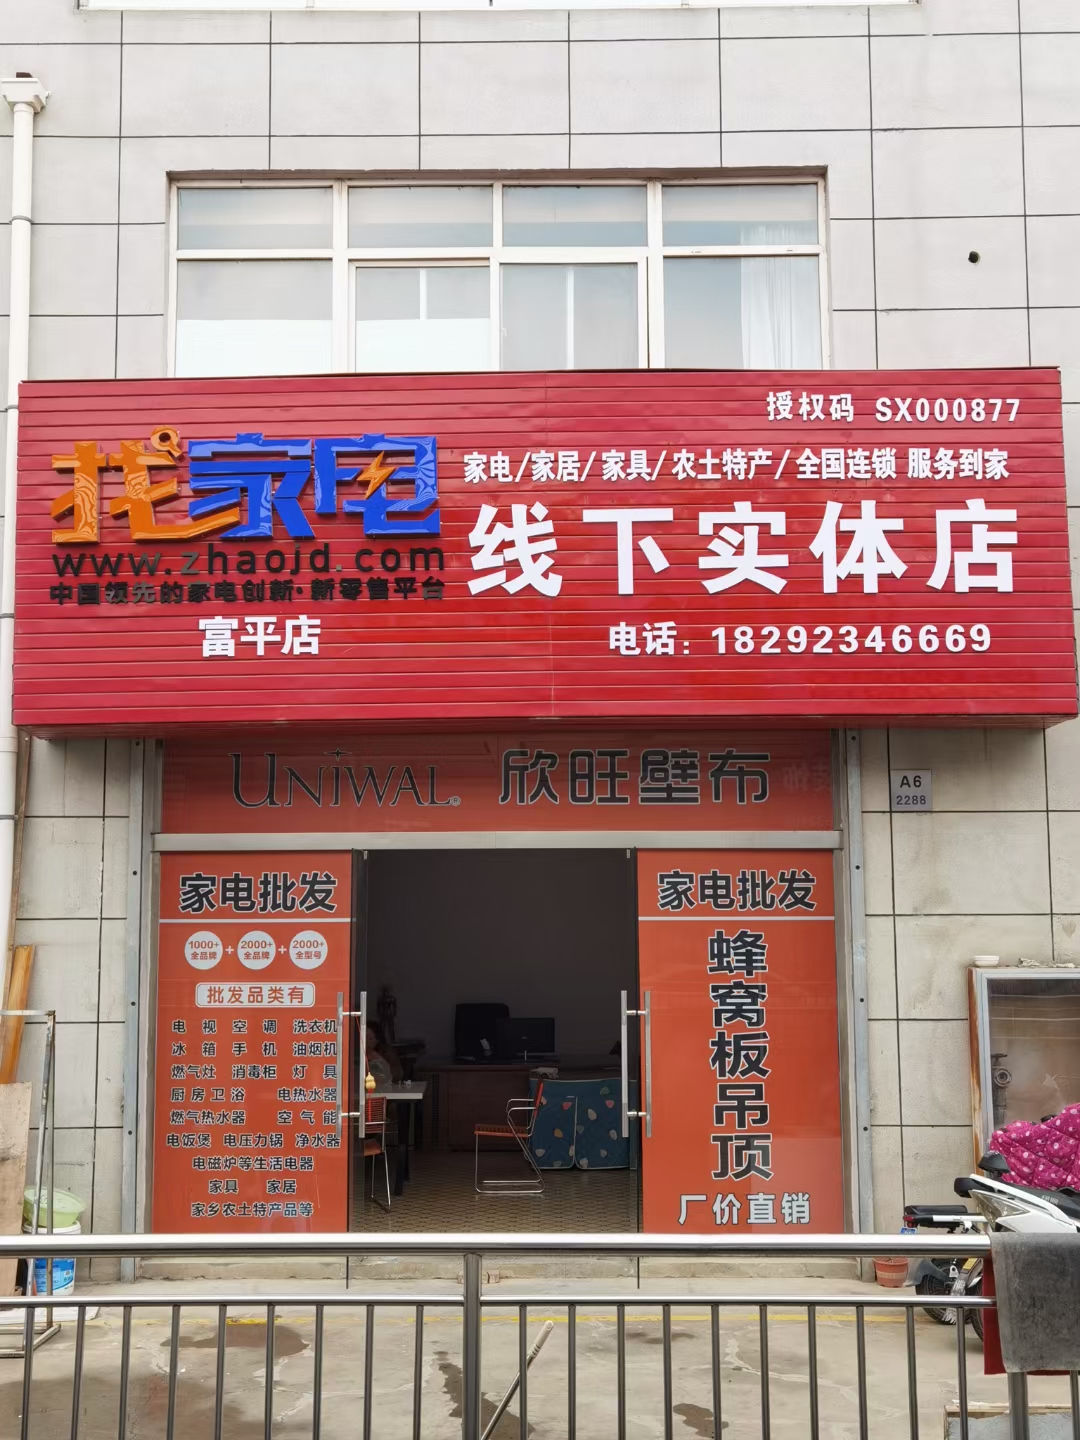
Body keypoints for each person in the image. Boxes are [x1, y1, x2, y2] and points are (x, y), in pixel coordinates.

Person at [365, 1022, 401, 1087]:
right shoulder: (355, 1056)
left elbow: (396, 1076)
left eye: (370, 1038)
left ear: (376, 1040)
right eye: (364, 1038)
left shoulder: (386, 1055)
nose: (365, 1042)